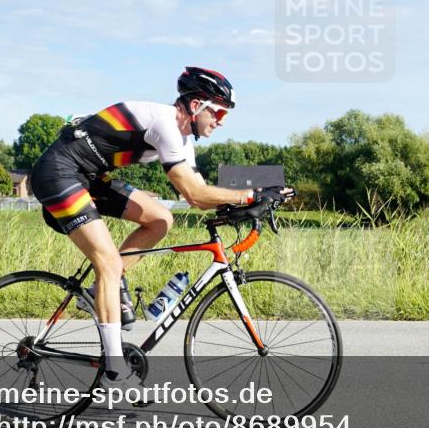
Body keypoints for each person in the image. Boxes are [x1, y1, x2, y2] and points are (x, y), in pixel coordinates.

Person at [29, 67, 288, 390]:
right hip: (59, 172)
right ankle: (114, 371)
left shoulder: (182, 140)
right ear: (196, 106)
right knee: (108, 264)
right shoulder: (165, 123)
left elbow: (200, 194)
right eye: (219, 111)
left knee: (161, 219)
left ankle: (100, 292)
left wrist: (253, 201)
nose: (222, 120)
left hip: (90, 176)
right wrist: (250, 194)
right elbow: (194, 195)